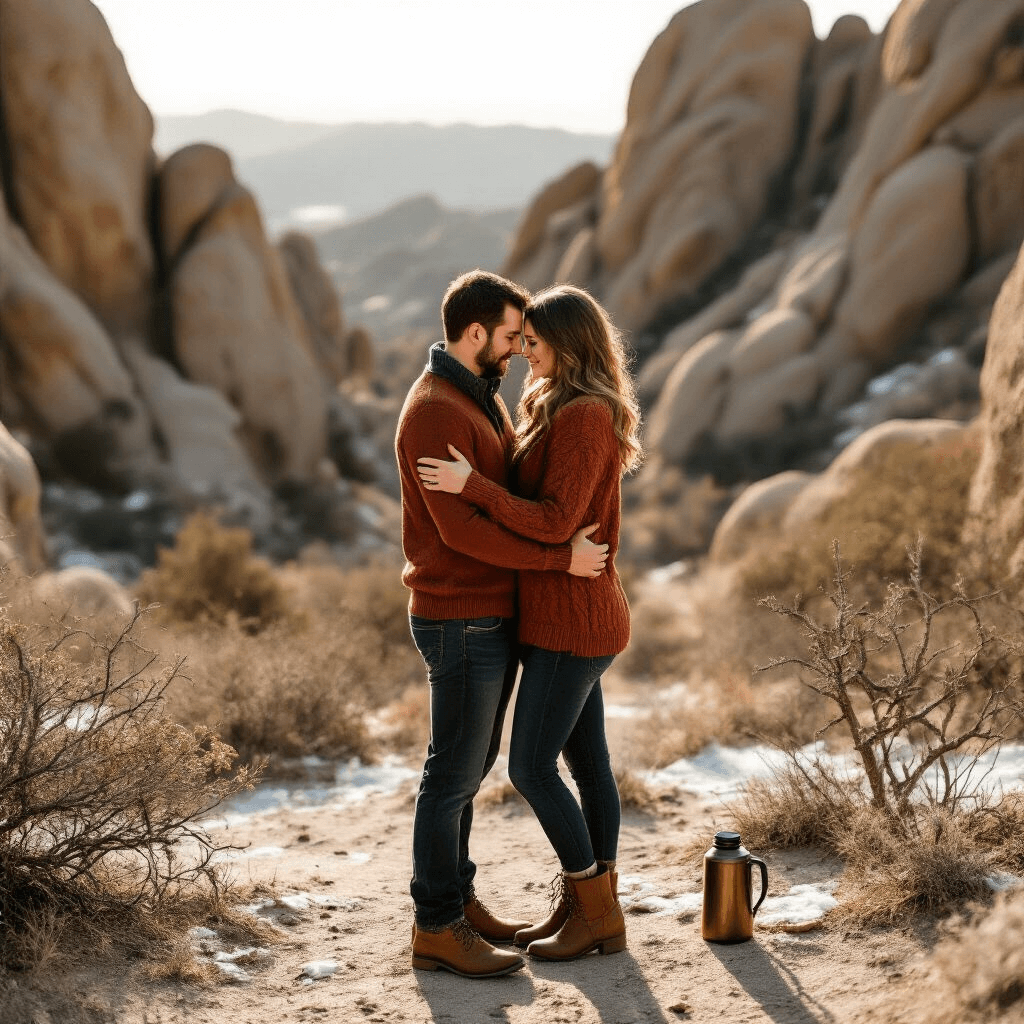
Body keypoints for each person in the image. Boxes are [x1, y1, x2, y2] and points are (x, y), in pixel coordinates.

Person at [417, 284, 642, 961]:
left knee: (532, 768)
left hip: (572, 620)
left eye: (533, 341)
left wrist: (473, 488)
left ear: (568, 346)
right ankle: (596, 909)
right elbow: (547, 515)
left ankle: (593, 906)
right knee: (589, 765)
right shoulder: (554, 406)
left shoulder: (585, 418)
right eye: (518, 339)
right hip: (562, 613)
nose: (522, 351)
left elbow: (553, 520)